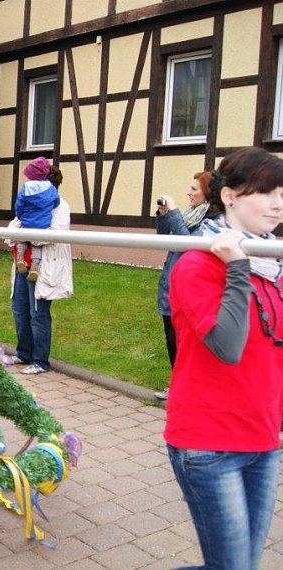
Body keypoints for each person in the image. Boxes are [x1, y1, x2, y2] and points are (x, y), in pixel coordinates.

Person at [164, 147, 283, 570]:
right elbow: (228, 347)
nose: (277, 204)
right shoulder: (198, 264)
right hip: (209, 443)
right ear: (229, 196)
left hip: (264, 439)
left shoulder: (274, 264)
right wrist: (238, 268)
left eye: (282, 193)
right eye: (266, 192)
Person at [153, 172, 221, 400]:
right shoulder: (189, 214)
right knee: (170, 340)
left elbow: (188, 245)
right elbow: (164, 237)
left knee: (180, 341)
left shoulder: (210, 222)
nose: (188, 193)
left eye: (194, 189)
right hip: (170, 285)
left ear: (208, 193)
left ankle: (189, 390)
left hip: (188, 290)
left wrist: (173, 213)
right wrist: (164, 215)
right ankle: (178, 387)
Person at [6, 166, 73, 375]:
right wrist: (22, 233)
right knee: (19, 310)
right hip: (21, 265)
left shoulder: (60, 206)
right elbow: (11, 228)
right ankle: (24, 353)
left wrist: (26, 234)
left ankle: (40, 360)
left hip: (43, 267)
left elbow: (53, 235)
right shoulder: (29, 201)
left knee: (38, 314)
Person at [14, 156, 61, 282]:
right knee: (37, 246)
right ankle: (35, 266)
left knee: (22, 241)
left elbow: (19, 204)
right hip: (42, 225)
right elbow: (56, 202)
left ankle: (20, 258)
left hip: (27, 223)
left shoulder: (26, 187)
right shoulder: (51, 188)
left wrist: (20, 215)